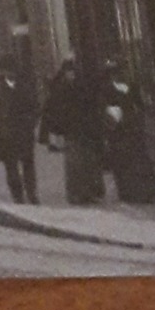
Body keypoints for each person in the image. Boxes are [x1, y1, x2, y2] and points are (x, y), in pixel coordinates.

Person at [39, 59, 104, 205]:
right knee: (74, 163)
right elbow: (52, 111)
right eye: (69, 72)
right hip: (71, 130)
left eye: (73, 72)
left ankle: (88, 193)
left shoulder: (79, 86)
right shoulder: (60, 88)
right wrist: (56, 132)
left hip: (83, 129)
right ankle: (76, 194)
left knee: (86, 162)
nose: (71, 75)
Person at [102, 66, 155, 204]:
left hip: (132, 128)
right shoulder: (107, 90)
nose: (118, 76)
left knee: (139, 160)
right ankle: (128, 193)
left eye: (120, 72)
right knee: (123, 162)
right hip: (118, 131)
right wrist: (111, 115)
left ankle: (147, 192)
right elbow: (103, 108)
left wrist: (138, 119)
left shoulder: (131, 87)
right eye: (115, 73)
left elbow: (140, 105)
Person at [0, 58, 39, 204]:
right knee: (11, 166)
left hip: (24, 132)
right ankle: (17, 196)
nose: (9, 73)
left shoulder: (25, 87)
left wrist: (31, 123)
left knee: (28, 164)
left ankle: (32, 194)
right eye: (6, 71)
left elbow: (35, 107)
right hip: (6, 134)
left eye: (12, 70)